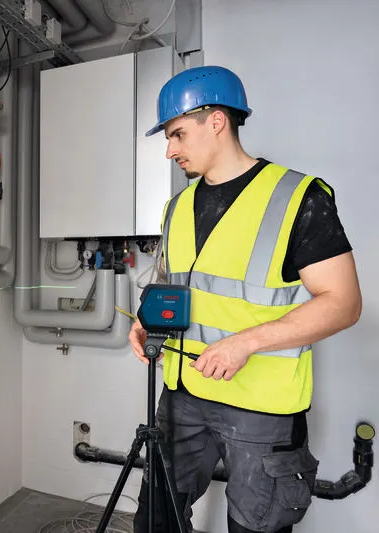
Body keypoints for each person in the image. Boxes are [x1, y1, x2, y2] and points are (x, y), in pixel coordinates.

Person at [128, 65, 362, 533]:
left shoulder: (298, 197)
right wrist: (147, 317)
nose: (170, 150)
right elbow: (178, 283)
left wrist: (245, 343)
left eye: (176, 134)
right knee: (156, 521)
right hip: (182, 395)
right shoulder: (177, 207)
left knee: (255, 527)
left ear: (216, 121)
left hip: (260, 408)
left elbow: (344, 303)